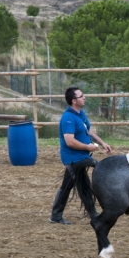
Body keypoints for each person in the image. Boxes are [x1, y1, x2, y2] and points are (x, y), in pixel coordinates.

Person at [49, 87, 112, 225]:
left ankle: (88, 213)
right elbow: (69, 141)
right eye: (81, 96)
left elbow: (88, 130)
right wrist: (88, 147)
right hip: (72, 158)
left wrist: (102, 143)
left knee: (78, 184)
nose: (84, 97)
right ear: (73, 101)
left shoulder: (80, 113)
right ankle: (57, 215)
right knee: (92, 170)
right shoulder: (68, 118)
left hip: (81, 157)